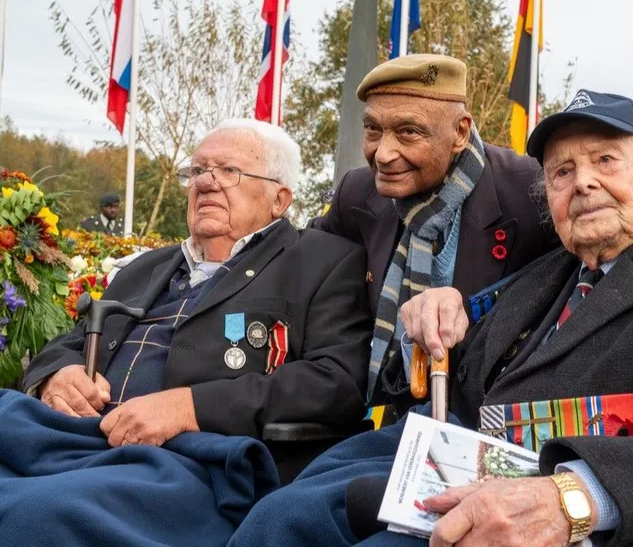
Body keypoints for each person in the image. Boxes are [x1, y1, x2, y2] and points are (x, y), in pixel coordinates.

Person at [228, 91, 633, 547]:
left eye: (605, 160)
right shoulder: (546, 274)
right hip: (459, 467)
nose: (582, 181)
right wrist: (435, 316)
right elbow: (454, 384)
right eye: (561, 173)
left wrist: (574, 499)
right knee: (283, 514)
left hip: (596, 502)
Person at [2, 119, 373, 546]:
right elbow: (74, 339)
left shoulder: (322, 261)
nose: (206, 183)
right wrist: (57, 374)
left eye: (229, 172)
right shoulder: (147, 266)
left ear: (280, 199)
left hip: (191, 463)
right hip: (77, 438)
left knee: (35, 514)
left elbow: (336, 383)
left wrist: (189, 408)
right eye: (197, 171)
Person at [310, 54, 559, 402]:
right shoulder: (357, 192)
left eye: (408, 132)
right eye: (373, 130)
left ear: (460, 132)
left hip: (488, 413)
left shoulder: (533, 190)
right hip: (382, 411)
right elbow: (310, 270)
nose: (383, 154)